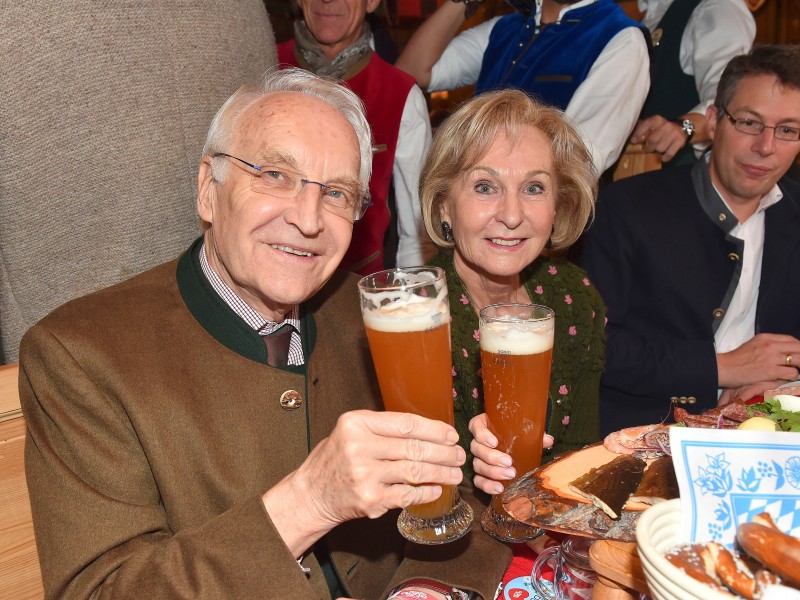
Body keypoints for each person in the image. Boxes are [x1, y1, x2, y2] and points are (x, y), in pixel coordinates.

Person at [19, 69, 511, 600]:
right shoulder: (81, 353)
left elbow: (456, 495)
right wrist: (308, 502)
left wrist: (424, 589)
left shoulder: (381, 316)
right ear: (210, 190)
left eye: (338, 193)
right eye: (276, 175)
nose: (308, 219)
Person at [580, 46, 800, 435]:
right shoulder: (625, 207)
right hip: (643, 436)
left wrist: (777, 384)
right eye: (749, 122)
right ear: (714, 121)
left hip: (772, 428)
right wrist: (722, 367)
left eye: (787, 130)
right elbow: (594, 348)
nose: (766, 147)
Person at [418, 89, 606, 483]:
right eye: (485, 186)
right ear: (443, 205)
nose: (512, 215)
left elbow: (582, 455)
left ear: (558, 205)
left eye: (534, 188)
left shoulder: (575, 295)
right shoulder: (415, 318)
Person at [395, 0, 651, 175]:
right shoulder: (505, 28)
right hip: (473, 203)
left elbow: (578, 162)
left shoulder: (622, 39)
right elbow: (411, 72)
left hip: (550, 233)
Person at [278, 0, 435, 275]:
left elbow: (417, 235)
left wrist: (413, 305)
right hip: (267, 282)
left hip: (357, 294)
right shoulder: (261, 69)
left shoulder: (401, 94)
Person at [628, 0, 755, 165]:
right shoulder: (651, 10)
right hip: (637, 170)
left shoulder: (718, 8)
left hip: (681, 176)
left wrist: (685, 127)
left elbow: (731, 97)